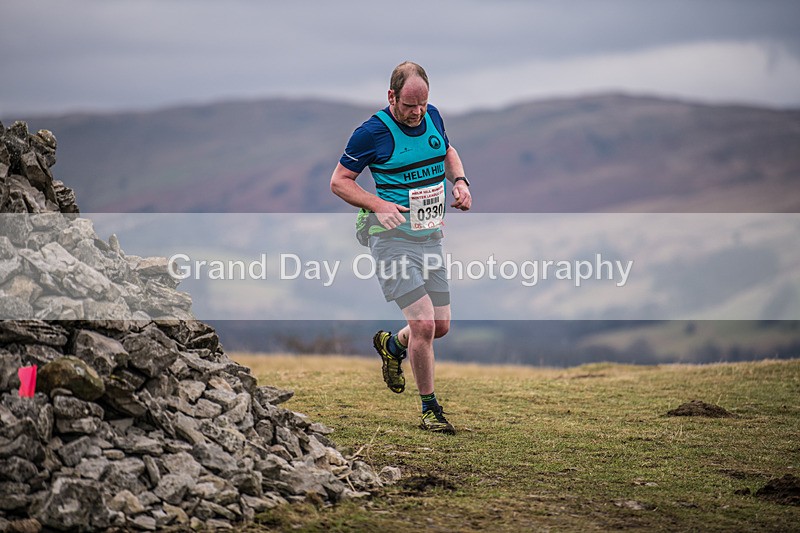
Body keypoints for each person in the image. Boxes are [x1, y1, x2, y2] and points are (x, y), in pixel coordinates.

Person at [330, 61, 472, 434]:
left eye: (423, 103)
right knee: (423, 323)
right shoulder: (371, 133)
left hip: (429, 236)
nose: (417, 112)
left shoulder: (433, 117)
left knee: (439, 327)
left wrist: (459, 181)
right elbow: (339, 182)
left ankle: (393, 345)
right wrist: (378, 205)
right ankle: (430, 410)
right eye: (410, 105)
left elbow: (446, 150)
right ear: (391, 96)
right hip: (389, 239)